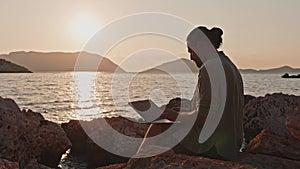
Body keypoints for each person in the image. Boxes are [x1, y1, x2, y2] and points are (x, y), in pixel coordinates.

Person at [138, 26, 244, 161]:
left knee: (157, 127)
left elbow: (203, 118)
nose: (191, 57)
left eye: (191, 52)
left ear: (202, 45)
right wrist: (182, 112)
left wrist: (170, 114)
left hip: (213, 146)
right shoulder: (228, 64)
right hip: (231, 142)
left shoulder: (210, 68)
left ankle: (137, 163)